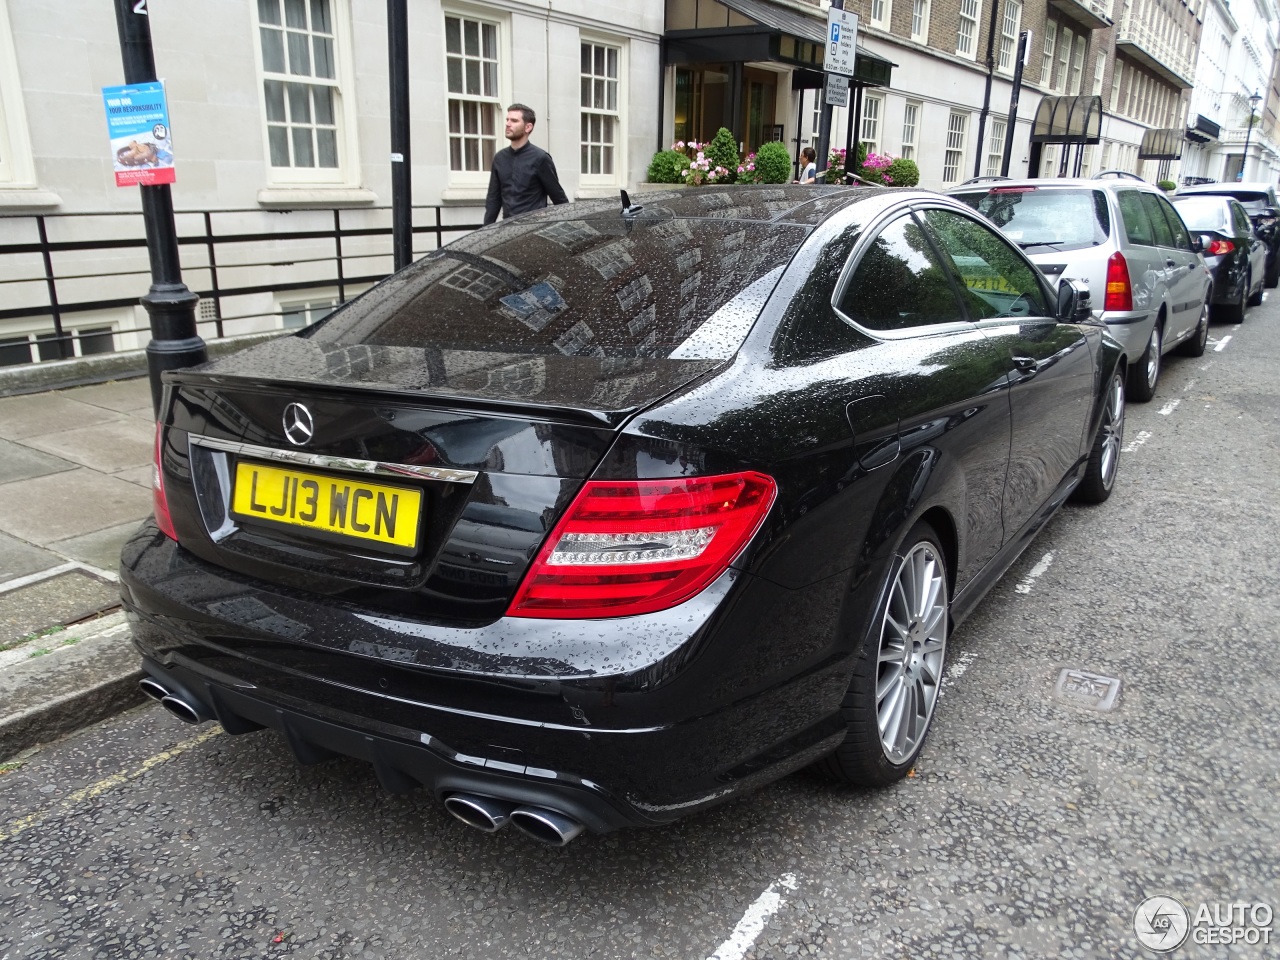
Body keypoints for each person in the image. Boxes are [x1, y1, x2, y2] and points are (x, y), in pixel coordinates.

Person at [483, 104, 569, 225]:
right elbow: (493, 200)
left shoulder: (541, 158)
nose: (508, 124)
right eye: (507, 120)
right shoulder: (499, 158)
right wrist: (485, 233)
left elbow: (559, 199)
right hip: (507, 231)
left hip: (533, 231)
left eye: (514, 121)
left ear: (528, 127)